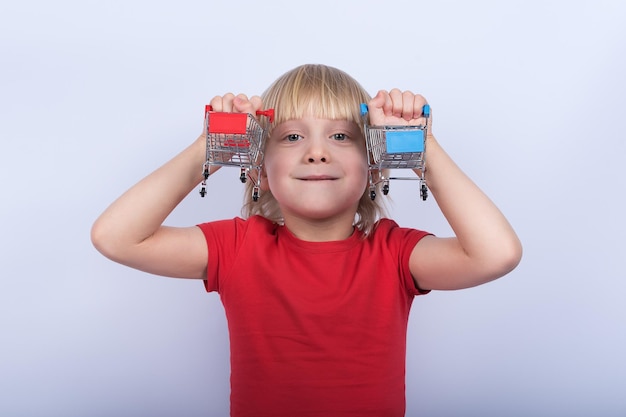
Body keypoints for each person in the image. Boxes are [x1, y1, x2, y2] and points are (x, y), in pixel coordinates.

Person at [91, 64, 522, 417]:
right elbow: (116, 237)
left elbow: (496, 254)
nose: (317, 153)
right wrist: (212, 143)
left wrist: (422, 146)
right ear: (259, 168)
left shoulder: (394, 253)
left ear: (374, 165)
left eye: (341, 136)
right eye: (292, 136)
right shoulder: (238, 247)